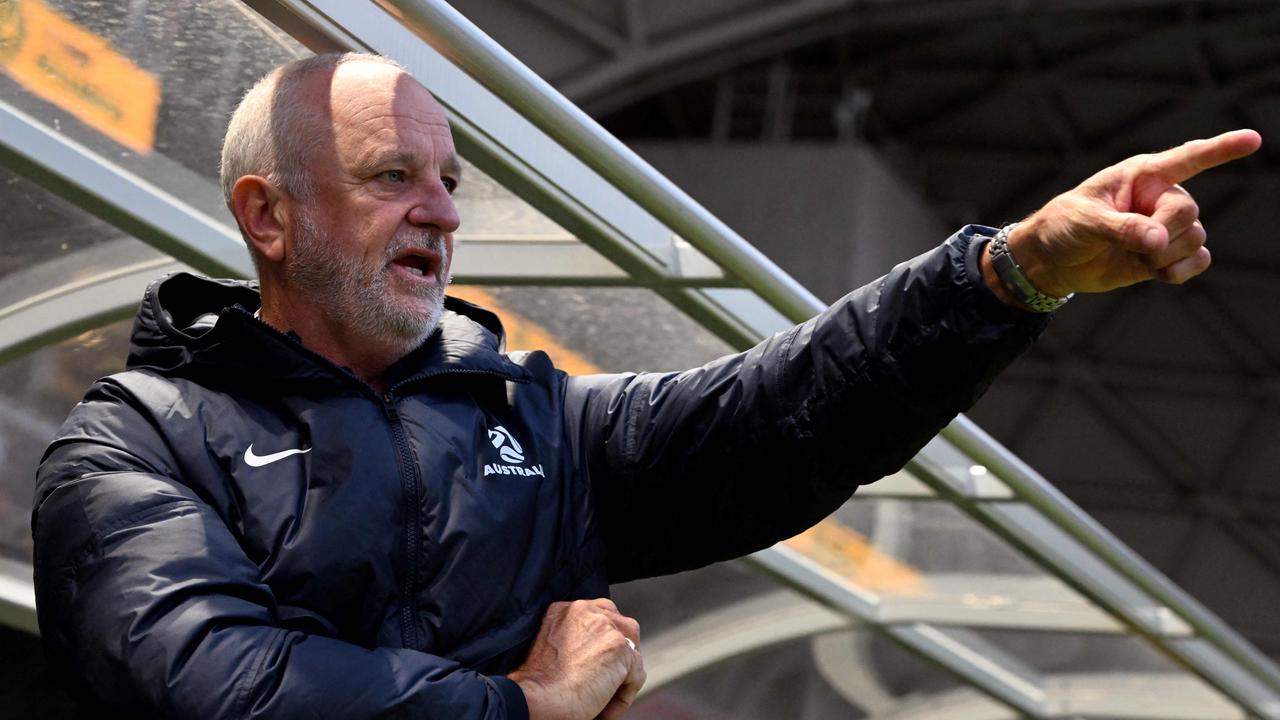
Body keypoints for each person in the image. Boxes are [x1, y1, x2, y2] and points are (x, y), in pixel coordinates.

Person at [30, 52, 1259, 720]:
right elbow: (213, 684)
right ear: (269, 216)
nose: (442, 212)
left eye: (450, 179)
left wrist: (1010, 272)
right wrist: (529, 709)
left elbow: (786, 413)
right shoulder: (134, 443)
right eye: (392, 174)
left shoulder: (537, 421)